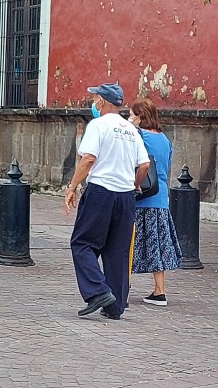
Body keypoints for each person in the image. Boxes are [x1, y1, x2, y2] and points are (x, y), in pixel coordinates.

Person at [63, 82, 150, 320]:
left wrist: (72, 186)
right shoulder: (131, 129)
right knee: (117, 250)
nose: (94, 102)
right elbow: (144, 164)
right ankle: (115, 305)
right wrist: (134, 184)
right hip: (125, 196)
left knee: (82, 243)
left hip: (101, 190)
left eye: (96, 98)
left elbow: (89, 158)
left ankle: (98, 290)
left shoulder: (98, 125)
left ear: (102, 101)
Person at [128, 97, 182, 306]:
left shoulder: (138, 135)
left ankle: (123, 285)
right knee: (157, 244)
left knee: (128, 243)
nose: (129, 118)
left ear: (141, 117)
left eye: (132, 115)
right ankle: (159, 290)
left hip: (141, 197)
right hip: (160, 199)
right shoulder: (165, 139)